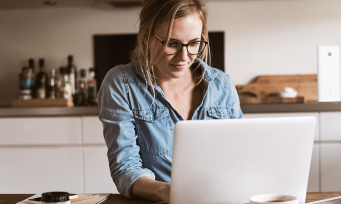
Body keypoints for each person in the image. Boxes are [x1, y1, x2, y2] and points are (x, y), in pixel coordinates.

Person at [97, 0, 243, 203]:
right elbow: (126, 169)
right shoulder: (121, 84)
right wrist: (172, 193)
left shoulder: (222, 84)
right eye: (172, 43)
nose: (184, 57)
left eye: (193, 43)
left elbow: (241, 155)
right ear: (146, 37)